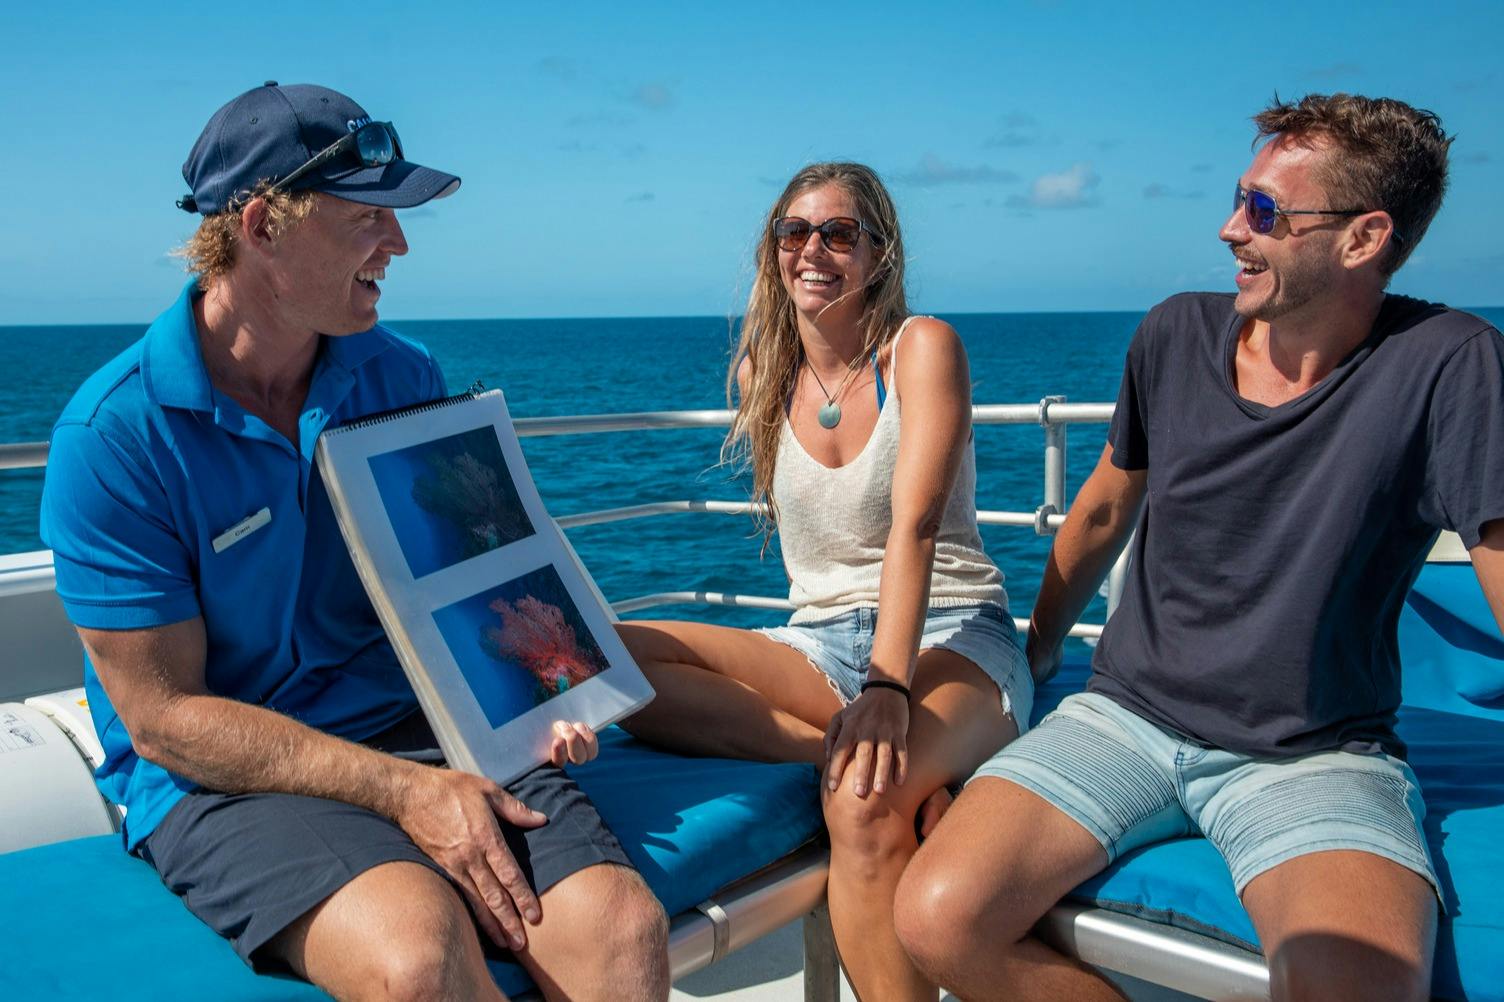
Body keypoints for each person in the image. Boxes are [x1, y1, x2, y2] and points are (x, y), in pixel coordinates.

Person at [39, 82, 669, 1002]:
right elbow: (164, 718)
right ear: (262, 226)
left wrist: (539, 697)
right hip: (228, 776)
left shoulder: (403, 374)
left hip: (412, 719)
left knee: (620, 930)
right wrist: (406, 793)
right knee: (417, 960)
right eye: (368, 216)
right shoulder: (115, 437)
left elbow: (470, 579)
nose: (399, 243)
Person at [893, 93, 1504, 1002]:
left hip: (1315, 756)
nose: (1230, 229)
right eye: (1238, 197)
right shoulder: (1174, 333)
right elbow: (1103, 510)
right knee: (934, 916)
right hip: (1125, 719)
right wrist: (1039, 653)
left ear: (1364, 238)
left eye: (1265, 210)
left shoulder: (1448, 363)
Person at [615, 161, 1034, 1001]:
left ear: (880, 253)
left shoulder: (921, 349)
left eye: (840, 233)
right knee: (615, 657)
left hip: (949, 632)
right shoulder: (763, 376)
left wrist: (888, 687)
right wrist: (861, 709)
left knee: (862, 805)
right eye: (795, 231)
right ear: (773, 250)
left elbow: (915, 527)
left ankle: (884, 762)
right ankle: (843, 752)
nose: (814, 250)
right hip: (820, 642)